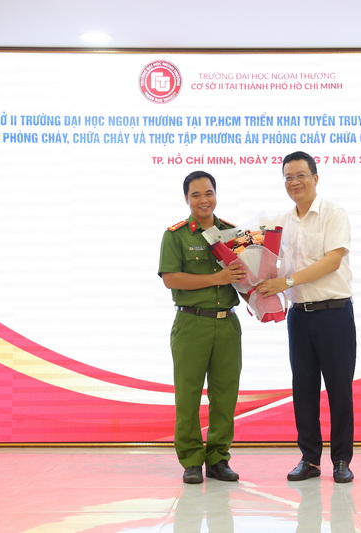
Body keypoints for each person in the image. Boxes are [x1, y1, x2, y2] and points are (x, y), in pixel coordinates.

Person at [256, 151, 356, 483]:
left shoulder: (333, 213)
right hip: (300, 317)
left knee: (339, 390)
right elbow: (270, 262)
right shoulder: (280, 223)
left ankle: (341, 460)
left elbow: (332, 261)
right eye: (288, 177)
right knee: (304, 389)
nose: (294, 182)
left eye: (300, 175)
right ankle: (309, 459)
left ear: (315, 178)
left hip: (334, 314)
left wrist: (285, 282)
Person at [158, 170, 246, 484]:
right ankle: (192, 460)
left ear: (216, 195)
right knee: (188, 394)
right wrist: (216, 278)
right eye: (195, 195)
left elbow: (246, 276)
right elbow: (171, 278)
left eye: (208, 193)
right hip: (191, 323)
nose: (203, 200)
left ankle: (219, 458)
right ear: (186, 199)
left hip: (227, 324)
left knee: (225, 395)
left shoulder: (233, 233)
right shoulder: (176, 235)